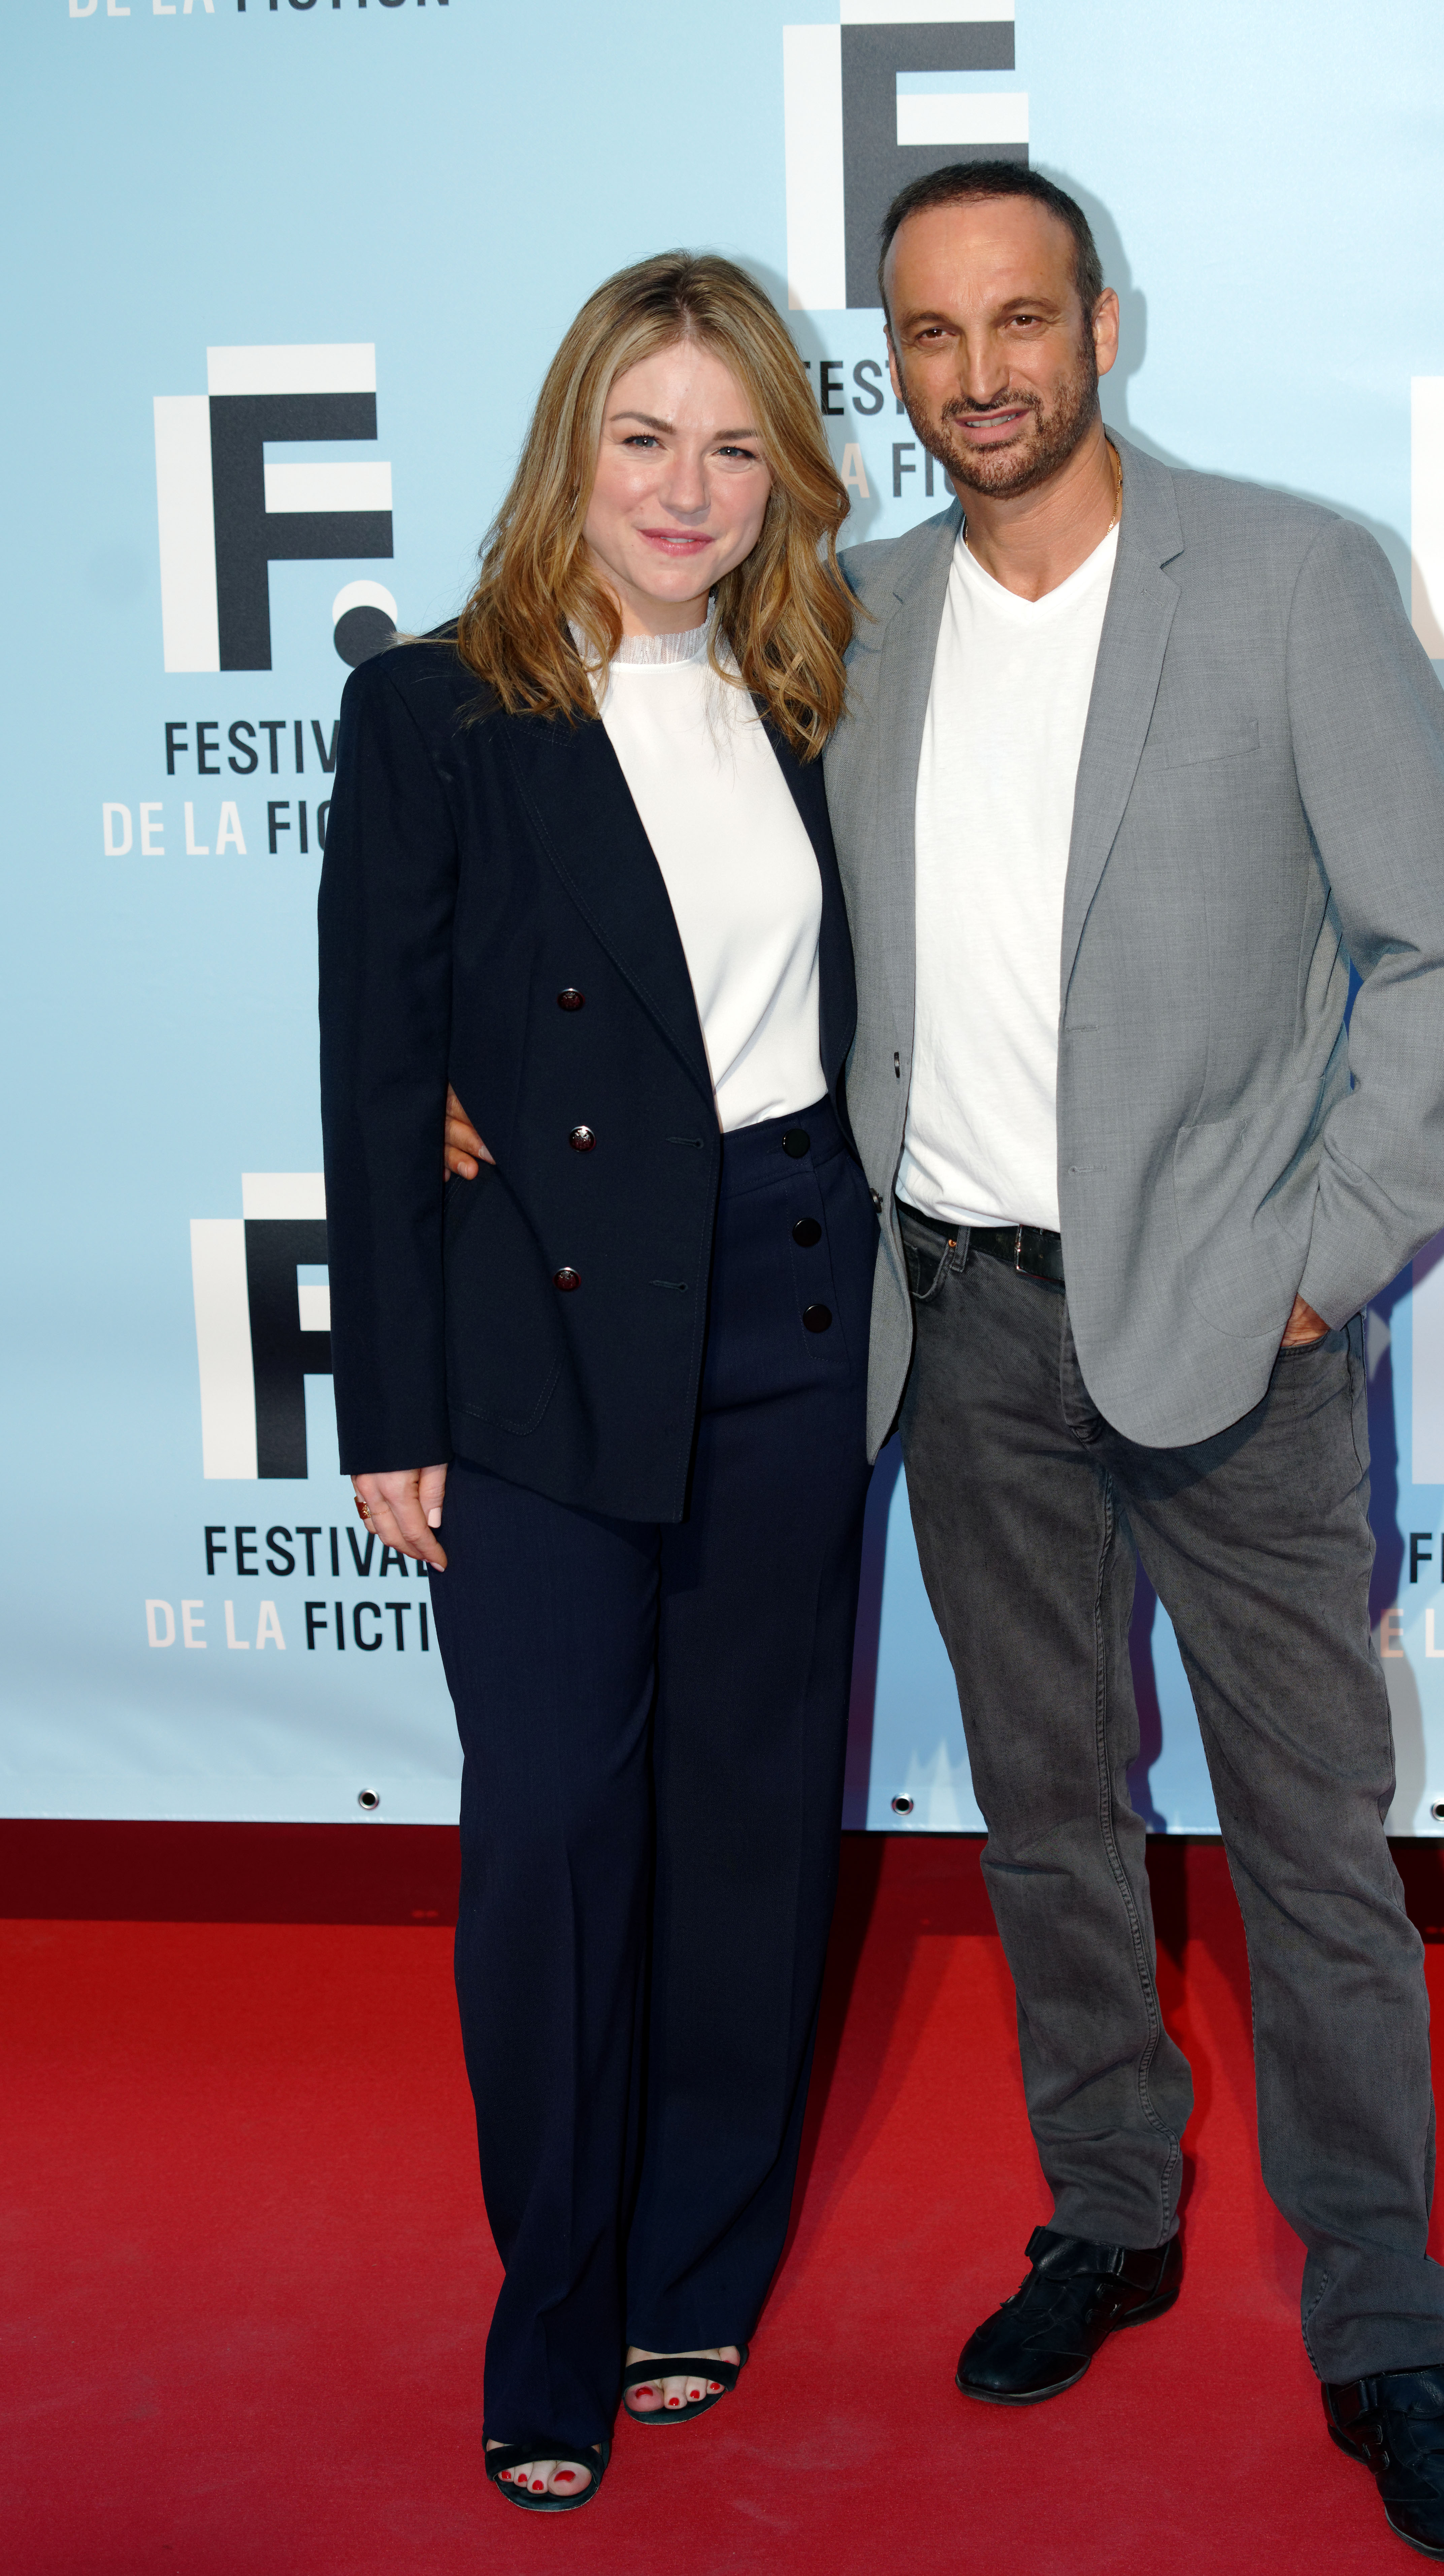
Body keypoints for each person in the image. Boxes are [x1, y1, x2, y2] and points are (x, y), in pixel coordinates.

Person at [828, 161, 1444, 2562]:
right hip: (968, 1325)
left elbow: (1438, 954)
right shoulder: (863, 613)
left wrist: (1323, 1262)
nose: (982, 374)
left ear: (1103, 324)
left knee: (1314, 1850)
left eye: (1023, 320)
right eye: (931, 333)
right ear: (890, 357)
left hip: (1241, 1337)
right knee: (1049, 1815)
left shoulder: (1295, 574)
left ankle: (1383, 2324)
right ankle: (1107, 2208)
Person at [319, 252, 876, 2515]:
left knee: (745, 1826)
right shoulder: (441, 708)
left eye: (736, 444)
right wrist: (388, 1398)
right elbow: (376, 1068)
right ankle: (546, 2305)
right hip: (537, 1327)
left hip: (787, 1301)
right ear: (571, 443)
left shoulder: (814, 691)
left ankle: (693, 2264)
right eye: (645, 436)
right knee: (552, 1831)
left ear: (785, 479)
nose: (688, 486)